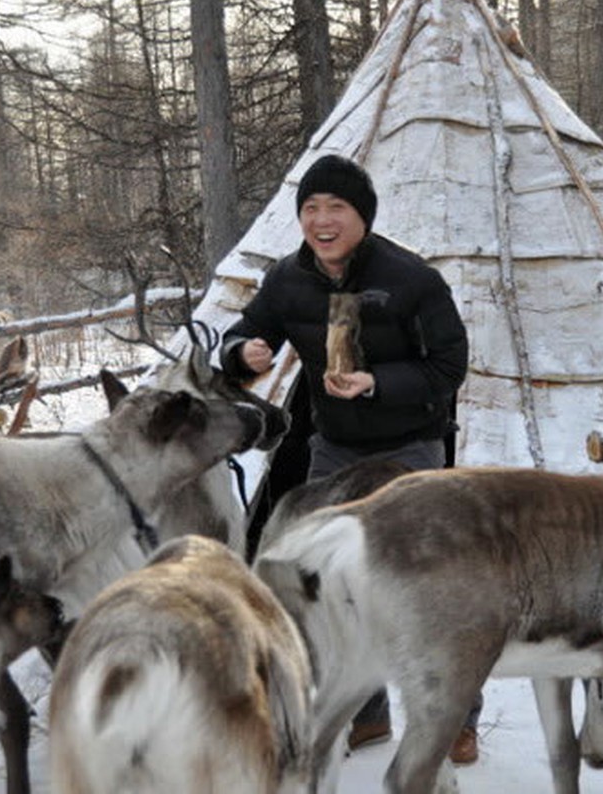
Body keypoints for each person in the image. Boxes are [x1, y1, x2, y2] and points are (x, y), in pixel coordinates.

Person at [221, 153, 481, 764]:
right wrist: (243, 354)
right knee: (326, 581)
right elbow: (241, 335)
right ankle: (366, 712)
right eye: (310, 208)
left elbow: (450, 367)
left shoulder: (412, 279)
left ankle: (456, 716)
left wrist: (376, 382)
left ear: (361, 215)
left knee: (428, 585)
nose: (321, 220)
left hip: (410, 448)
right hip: (332, 450)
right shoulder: (289, 279)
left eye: (336, 207)